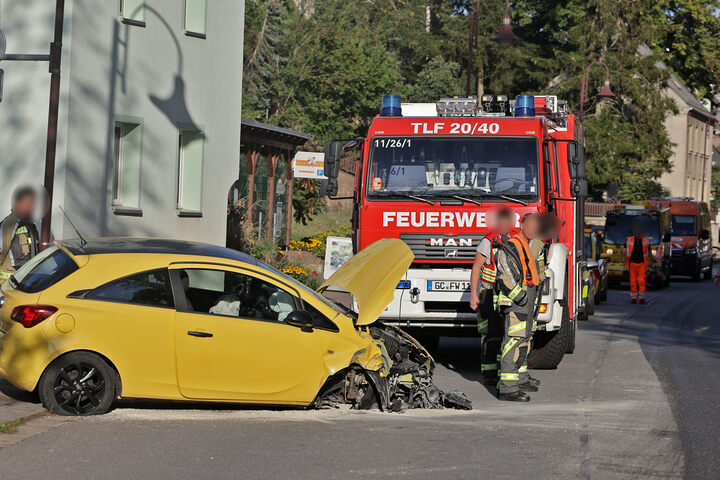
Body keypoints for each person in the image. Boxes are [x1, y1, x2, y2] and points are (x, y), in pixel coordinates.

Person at [495, 213, 540, 402]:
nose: (533, 230)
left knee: (523, 341)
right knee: (513, 343)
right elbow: (505, 275)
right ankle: (507, 389)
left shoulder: (527, 245)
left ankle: (517, 382)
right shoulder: (512, 245)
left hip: (527, 300)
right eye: (530, 225)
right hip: (518, 302)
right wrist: (520, 298)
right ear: (521, 224)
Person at [469, 207, 515, 386]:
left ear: (511, 223)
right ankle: (489, 374)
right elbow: (476, 268)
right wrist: (474, 295)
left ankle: (503, 370)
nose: (504, 225)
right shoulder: (488, 241)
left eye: (507, 222)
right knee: (490, 336)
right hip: (489, 293)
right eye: (501, 222)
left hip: (508, 294)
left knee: (507, 335)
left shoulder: (515, 239)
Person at [0, 187, 40, 281]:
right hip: (9, 285)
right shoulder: (8, 225)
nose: (32, 207)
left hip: (25, 283)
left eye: (33, 204)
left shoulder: (30, 225)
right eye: (29, 203)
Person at [623, 223, 651, 304]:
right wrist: (624, 260)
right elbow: (624, 250)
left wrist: (651, 262)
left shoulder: (646, 240)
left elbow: (649, 252)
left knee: (641, 280)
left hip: (642, 264)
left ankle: (642, 297)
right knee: (633, 281)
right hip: (632, 264)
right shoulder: (629, 240)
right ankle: (634, 298)